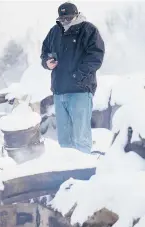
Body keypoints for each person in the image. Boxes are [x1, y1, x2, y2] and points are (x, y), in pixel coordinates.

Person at [40, 2, 105, 154]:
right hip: (59, 90)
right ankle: (67, 170)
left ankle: (84, 170)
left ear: (76, 15)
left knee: (80, 137)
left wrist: (78, 75)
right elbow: (45, 52)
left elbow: (96, 56)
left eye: (68, 18)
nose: (65, 22)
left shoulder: (88, 30)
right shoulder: (54, 32)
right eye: (62, 19)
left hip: (80, 90)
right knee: (64, 138)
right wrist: (46, 62)